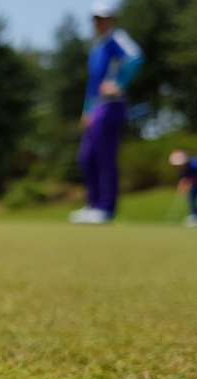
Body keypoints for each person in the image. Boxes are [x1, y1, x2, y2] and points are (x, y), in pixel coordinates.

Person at [70, 1, 144, 224]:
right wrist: (87, 111)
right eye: (96, 19)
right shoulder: (97, 47)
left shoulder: (116, 38)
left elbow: (136, 58)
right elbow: (93, 85)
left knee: (105, 157)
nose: (99, 23)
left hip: (112, 105)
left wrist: (119, 83)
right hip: (96, 109)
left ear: (112, 20)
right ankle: (93, 205)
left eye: (103, 18)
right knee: (87, 157)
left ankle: (106, 208)